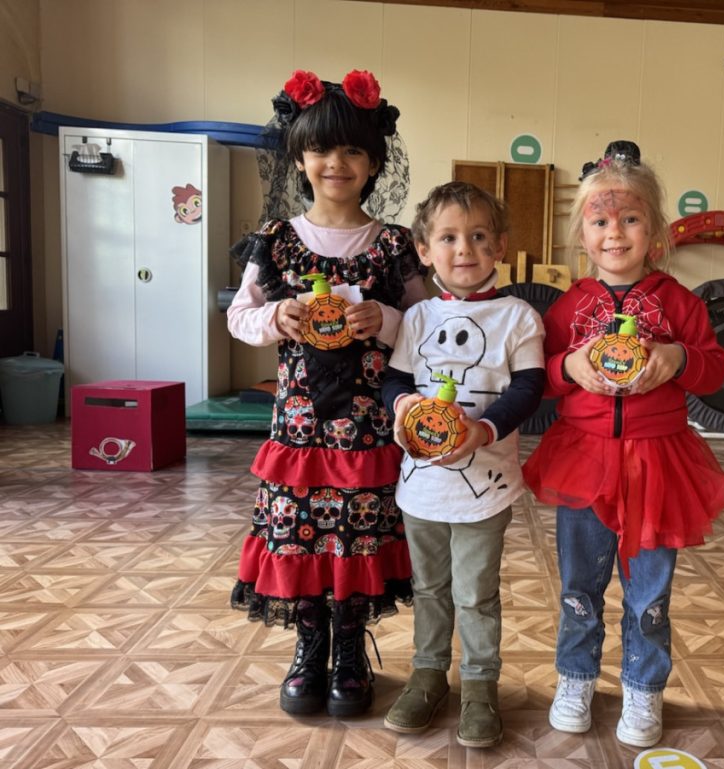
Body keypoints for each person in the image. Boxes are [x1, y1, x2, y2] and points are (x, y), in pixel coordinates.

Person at [522, 140, 724, 748]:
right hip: (583, 460)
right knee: (579, 586)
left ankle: (644, 689)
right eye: (599, 221)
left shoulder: (680, 303)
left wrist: (679, 357)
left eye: (630, 218)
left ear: (655, 230)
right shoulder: (569, 306)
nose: (614, 232)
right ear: (582, 235)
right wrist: (569, 366)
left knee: (650, 592)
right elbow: (539, 378)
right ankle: (575, 679)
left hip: (658, 463)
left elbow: (715, 372)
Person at [226, 68, 427, 718]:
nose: (335, 163)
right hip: (298, 436)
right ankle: (309, 651)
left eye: (351, 150)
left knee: (357, 539)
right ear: (299, 158)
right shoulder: (276, 239)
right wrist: (274, 317)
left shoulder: (394, 245)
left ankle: (349, 654)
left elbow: (430, 328)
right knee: (300, 538)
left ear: (374, 163)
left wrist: (386, 320)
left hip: (368, 435)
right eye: (319, 149)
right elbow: (238, 316)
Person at [381, 181, 546, 748]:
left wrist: (482, 430)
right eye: (449, 238)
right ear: (424, 250)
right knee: (429, 588)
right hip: (420, 488)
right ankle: (427, 676)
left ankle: (479, 685)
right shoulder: (417, 317)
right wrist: (404, 405)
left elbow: (528, 388)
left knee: (475, 593)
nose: (464, 249)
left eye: (478, 236)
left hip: (486, 489)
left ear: (499, 246)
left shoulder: (518, 317)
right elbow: (395, 380)